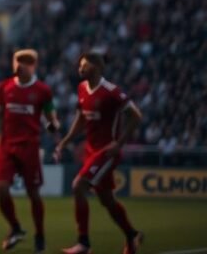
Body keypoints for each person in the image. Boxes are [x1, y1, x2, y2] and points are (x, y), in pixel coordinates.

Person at [55, 51, 144, 254]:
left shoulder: (111, 92)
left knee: (78, 186)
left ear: (95, 66)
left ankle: (83, 243)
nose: (80, 68)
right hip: (90, 150)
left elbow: (136, 116)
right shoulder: (81, 88)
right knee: (106, 200)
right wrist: (65, 141)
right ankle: (132, 235)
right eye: (79, 65)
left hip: (106, 151)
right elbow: (81, 119)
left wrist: (119, 144)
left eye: (84, 65)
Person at [0, 49, 60, 253]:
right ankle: (16, 228)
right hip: (7, 145)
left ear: (33, 66)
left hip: (29, 146)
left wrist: (53, 125)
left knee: (33, 193)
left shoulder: (42, 90)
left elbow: (51, 118)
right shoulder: (5, 87)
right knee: (1, 189)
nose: (20, 65)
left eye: (26, 62)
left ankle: (40, 235)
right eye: (18, 61)